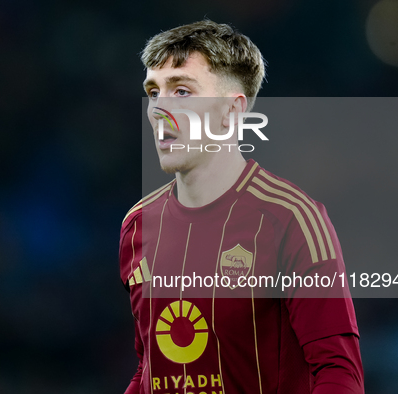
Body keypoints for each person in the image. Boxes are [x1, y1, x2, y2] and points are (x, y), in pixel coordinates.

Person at [119, 20, 364, 394]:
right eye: (153, 92)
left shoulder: (292, 219)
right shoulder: (137, 225)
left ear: (231, 112)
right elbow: (149, 368)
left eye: (181, 90)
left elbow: (338, 373)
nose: (158, 110)